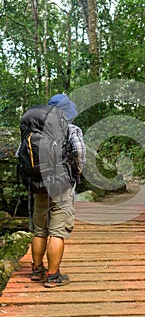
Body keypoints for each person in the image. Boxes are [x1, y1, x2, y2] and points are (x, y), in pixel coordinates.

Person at [29, 94, 86, 288]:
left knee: (39, 230)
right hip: (61, 185)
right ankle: (53, 276)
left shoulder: (34, 128)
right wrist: (76, 172)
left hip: (38, 184)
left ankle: (37, 270)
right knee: (57, 231)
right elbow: (79, 153)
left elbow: (22, 154)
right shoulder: (72, 129)